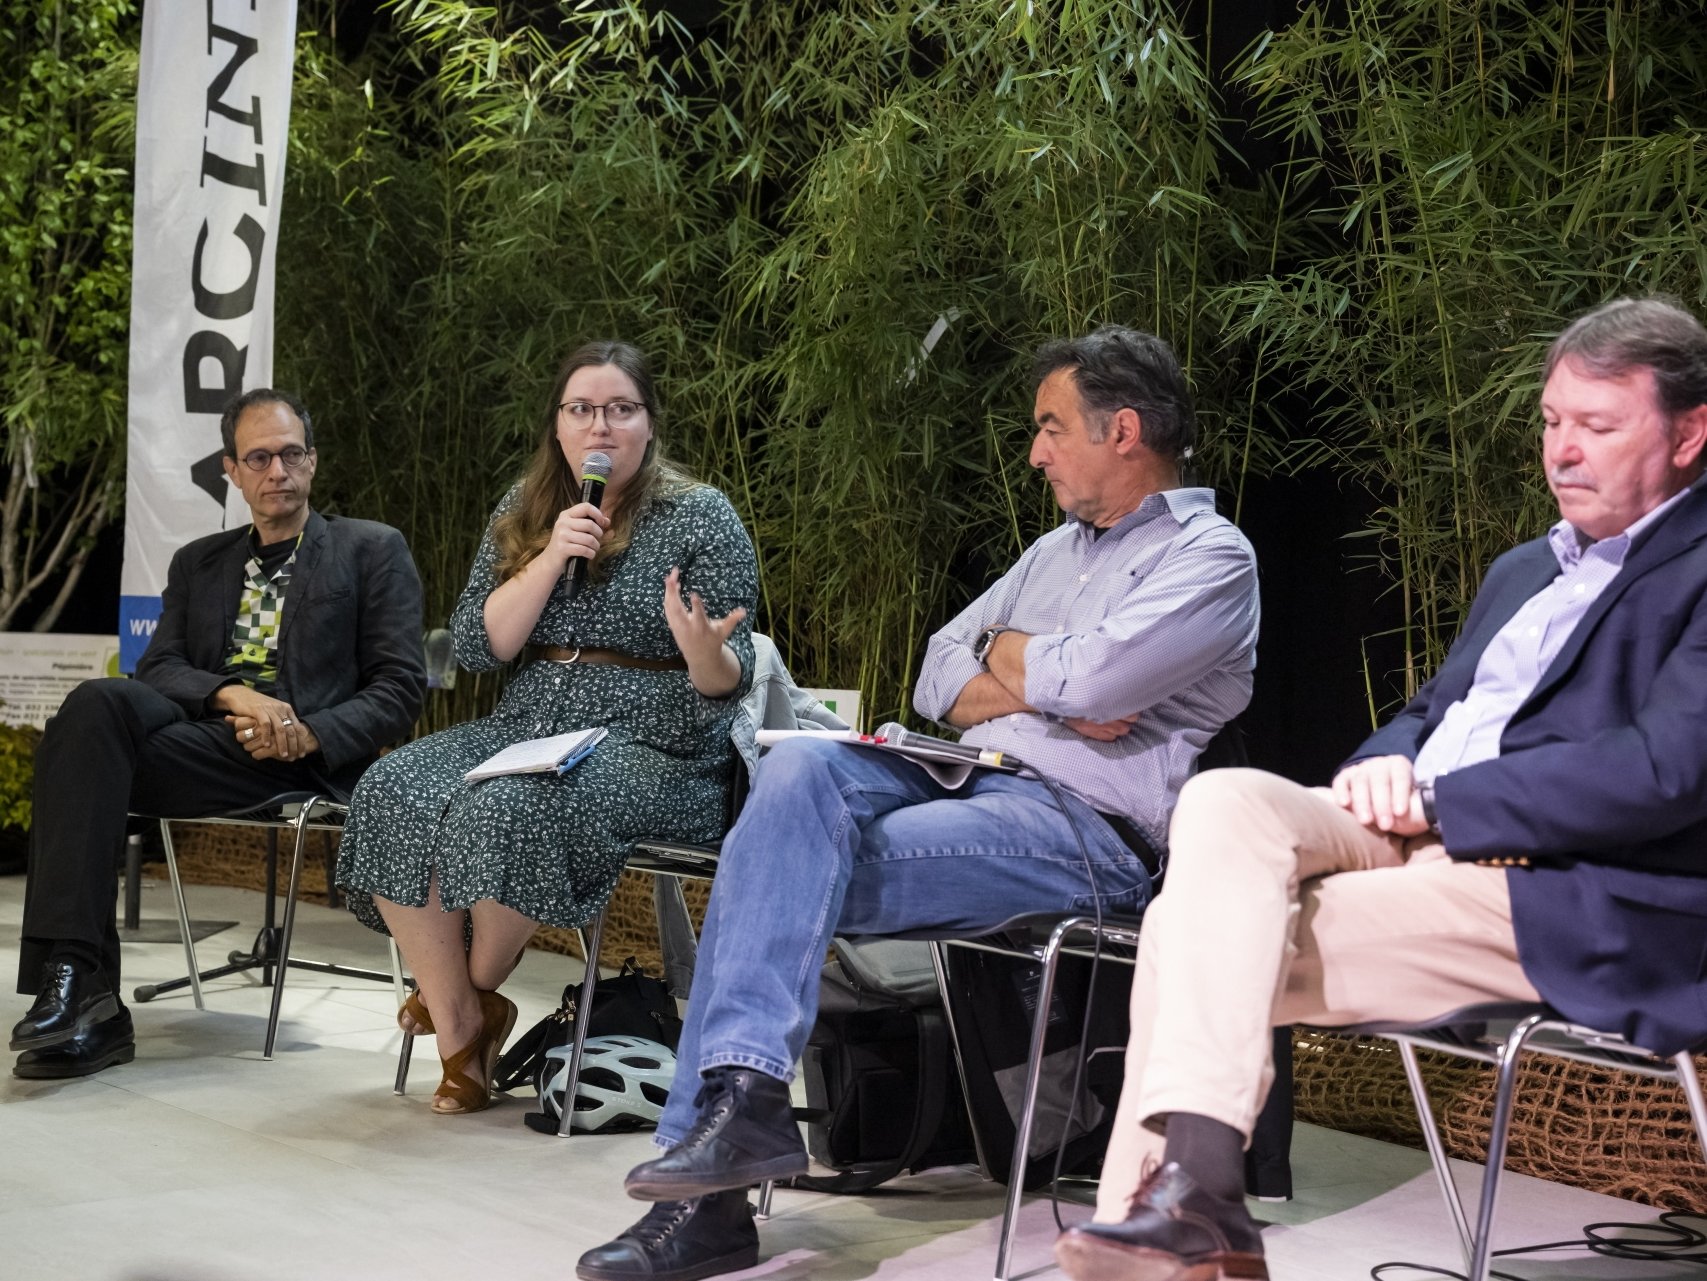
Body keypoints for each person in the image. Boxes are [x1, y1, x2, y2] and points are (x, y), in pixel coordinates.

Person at [577, 325, 1262, 1281]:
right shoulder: (1054, 553)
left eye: (1050, 428)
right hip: (971, 777)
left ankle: (712, 1193)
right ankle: (745, 1110)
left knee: (766, 866)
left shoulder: (1213, 559)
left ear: (1125, 430)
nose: (1034, 452)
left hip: (1084, 830)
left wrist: (1021, 662)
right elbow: (938, 670)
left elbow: (1097, 681)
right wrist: (1051, 678)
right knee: (796, 769)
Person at [1052, 295, 1707, 1281]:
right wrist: (1382, 766)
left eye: (1599, 428)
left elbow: (1667, 769)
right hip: (1408, 828)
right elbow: (1433, 705)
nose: (1562, 452)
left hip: (1564, 878)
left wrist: (1449, 803)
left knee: (1195, 946)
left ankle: (1188, 1211)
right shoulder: (1526, 569)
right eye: (1551, 422)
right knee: (1224, 803)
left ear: (1691, 432)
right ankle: (1201, 1204)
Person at [335, 340, 759, 1116]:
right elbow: (474, 645)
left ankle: (462, 1000)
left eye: (620, 409)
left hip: (656, 739)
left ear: (649, 423)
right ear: (557, 427)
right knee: (392, 787)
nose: (601, 425)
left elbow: (726, 685)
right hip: (528, 719)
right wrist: (547, 556)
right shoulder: (523, 507)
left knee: (511, 804)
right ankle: (468, 1015)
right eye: (581, 409)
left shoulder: (701, 515)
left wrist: (707, 655)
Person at [10, 389, 427, 1079]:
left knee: (82, 754)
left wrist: (306, 732)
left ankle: (84, 990)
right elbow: (161, 667)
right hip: (208, 737)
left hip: (299, 760)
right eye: (258, 457)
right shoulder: (199, 560)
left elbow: (398, 688)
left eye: (290, 454)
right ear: (232, 470)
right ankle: (80, 979)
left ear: (312, 461)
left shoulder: (370, 549)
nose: (277, 470)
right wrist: (233, 693)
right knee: (93, 707)